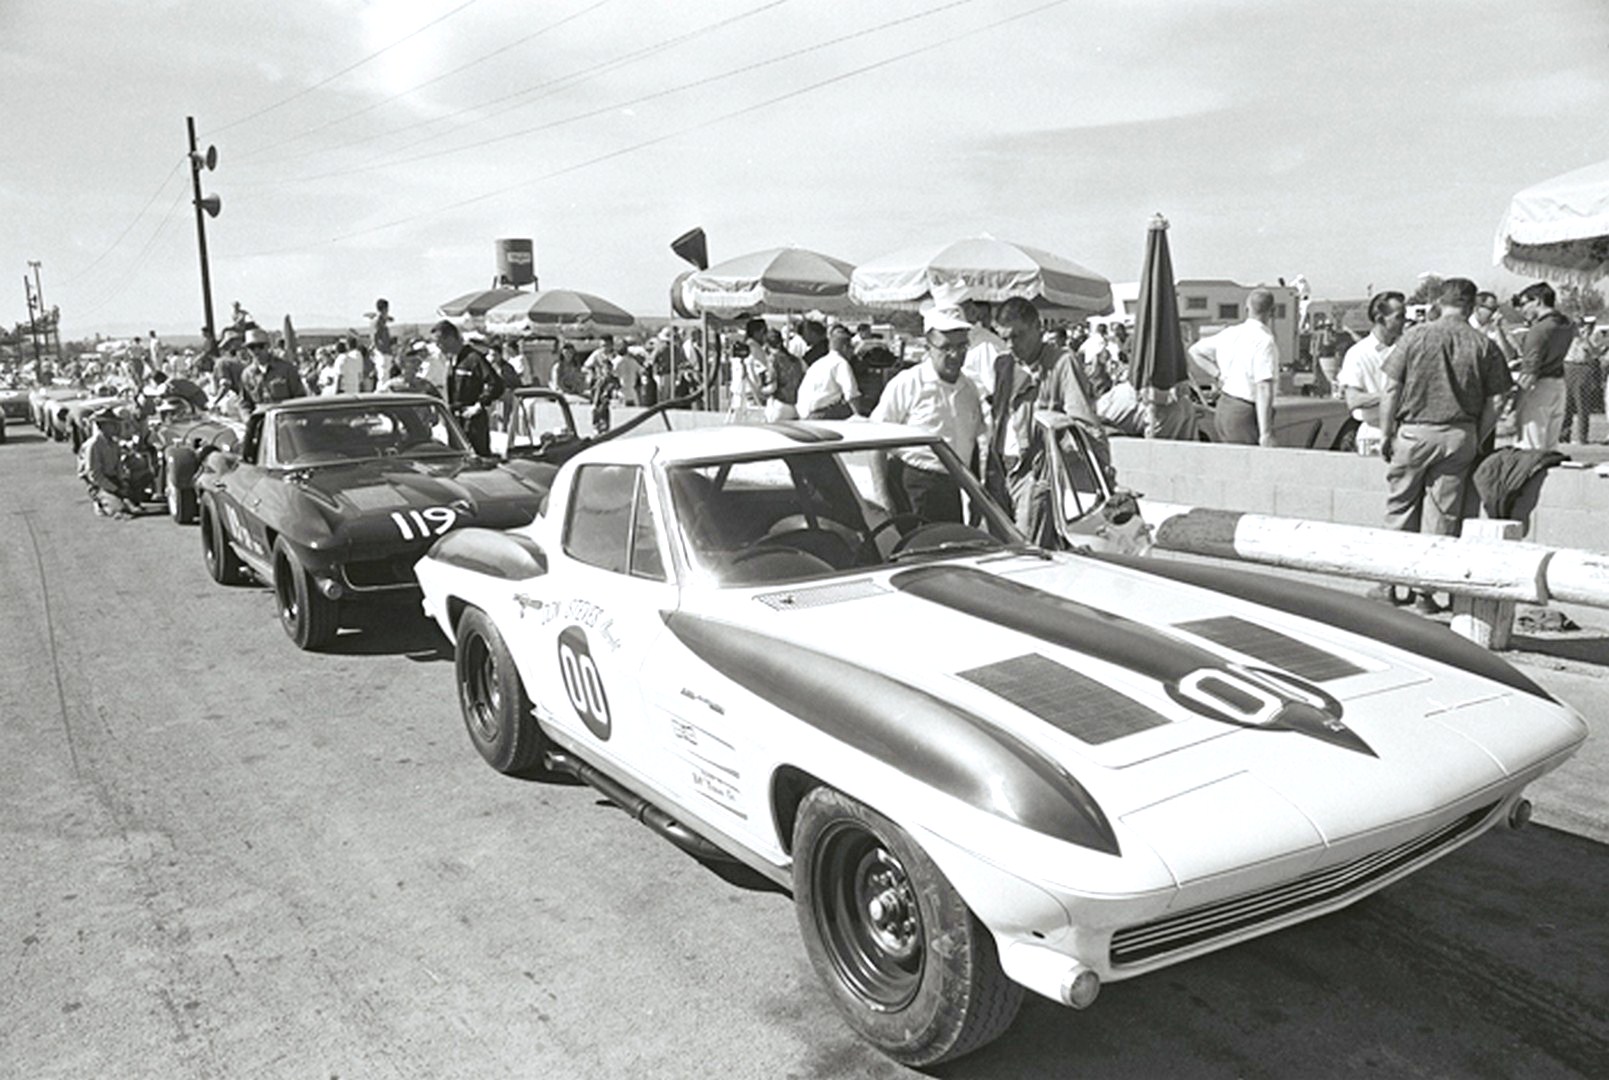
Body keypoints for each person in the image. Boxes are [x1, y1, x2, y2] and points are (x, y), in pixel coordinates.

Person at [1377, 277, 1513, 612]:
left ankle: (1390, 584)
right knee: (1442, 515)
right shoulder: (1483, 344)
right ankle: (1427, 593)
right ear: (1470, 305)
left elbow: (1391, 389)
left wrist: (1384, 432)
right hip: (1458, 434)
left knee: (1400, 508)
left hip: (1413, 432)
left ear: (1440, 301)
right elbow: (1498, 399)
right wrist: (1477, 435)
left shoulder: (1414, 336)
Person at [986, 297, 1107, 537]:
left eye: (1017, 336)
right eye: (1004, 338)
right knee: (999, 544)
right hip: (1000, 468)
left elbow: (1083, 425)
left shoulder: (1062, 363)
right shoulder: (1003, 364)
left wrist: (1050, 462)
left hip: (1034, 472)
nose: (1010, 344)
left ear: (1037, 328)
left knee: (1027, 547)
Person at [870, 304, 985, 523]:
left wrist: (976, 495)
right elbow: (876, 444)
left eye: (962, 347)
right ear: (928, 346)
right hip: (913, 485)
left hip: (953, 488)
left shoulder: (969, 389)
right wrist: (883, 499)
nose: (955, 355)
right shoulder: (908, 383)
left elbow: (973, 443)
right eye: (946, 347)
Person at [1188, 288, 1280, 445]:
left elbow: (1195, 351)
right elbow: (1264, 387)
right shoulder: (1264, 341)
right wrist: (1265, 433)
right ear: (1273, 311)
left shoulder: (1230, 333)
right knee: (1250, 463)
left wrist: (1218, 375)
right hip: (1245, 411)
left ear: (1246, 309)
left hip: (1224, 407)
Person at [1336, 291, 1408, 456]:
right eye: (1399, 317)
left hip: (1406, 432)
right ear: (1380, 319)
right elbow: (1353, 400)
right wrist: (1390, 395)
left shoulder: (1407, 349)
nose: (1404, 321)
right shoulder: (1358, 354)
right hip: (1374, 432)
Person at [1512, 281, 1574, 451]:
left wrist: (1516, 404)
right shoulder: (1568, 324)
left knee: (1530, 448)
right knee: (1550, 447)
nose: (1522, 310)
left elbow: (1529, 373)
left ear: (1538, 301)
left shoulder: (1539, 329)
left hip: (1538, 386)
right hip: (1559, 384)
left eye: (1524, 303)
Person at [431, 320, 504, 456]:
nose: (438, 346)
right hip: (456, 423)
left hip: (473, 423)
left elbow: (496, 384)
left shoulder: (473, 359)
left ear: (451, 338)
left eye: (440, 341)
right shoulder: (452, 361)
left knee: (478, 461)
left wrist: (479, 405)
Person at [78, 407, 136, 518]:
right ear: (103, 426)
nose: (116, 428)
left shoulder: (114, 443)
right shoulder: (93, 445)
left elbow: (119, 466)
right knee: (118, 507)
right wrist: (115, 489)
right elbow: (94, 475)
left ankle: (118, 500)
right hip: (98, 484)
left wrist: (123, 482)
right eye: (112, 425)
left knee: (134, 496)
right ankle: (102, 503)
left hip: (113, 479)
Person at [796, 324, 859, 419]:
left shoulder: (817, 364)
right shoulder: (841, 363)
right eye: (851, 348)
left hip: (805, 415)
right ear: (845, 348)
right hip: (823, 415)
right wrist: (859, 417)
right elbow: (851, 394)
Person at [239, 328, 309, 414]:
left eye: (260, 346)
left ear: (268, 346)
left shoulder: (287, 369)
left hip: (284, 417)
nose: (256, 351)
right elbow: (244, 403)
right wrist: (248, 418)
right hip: (260, 420)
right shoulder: (247, 374)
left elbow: (300, 398)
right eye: (251, 348)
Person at [1561, 315, 1600, 444]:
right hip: (1567, 367)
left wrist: (1585, 338)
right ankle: (1563, 434)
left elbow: (1595, 353)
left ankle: (1582, 436)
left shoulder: (1591, 337)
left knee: (1582, 403)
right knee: (1566, 404)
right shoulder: (1566, 336)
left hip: (1582, 368)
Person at [758, 329, 803, 421]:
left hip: (779, 405)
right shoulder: (796, 360)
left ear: (766, 344)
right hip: (795, 406)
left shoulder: (773, 360)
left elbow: (773, 387)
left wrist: (760, 391)